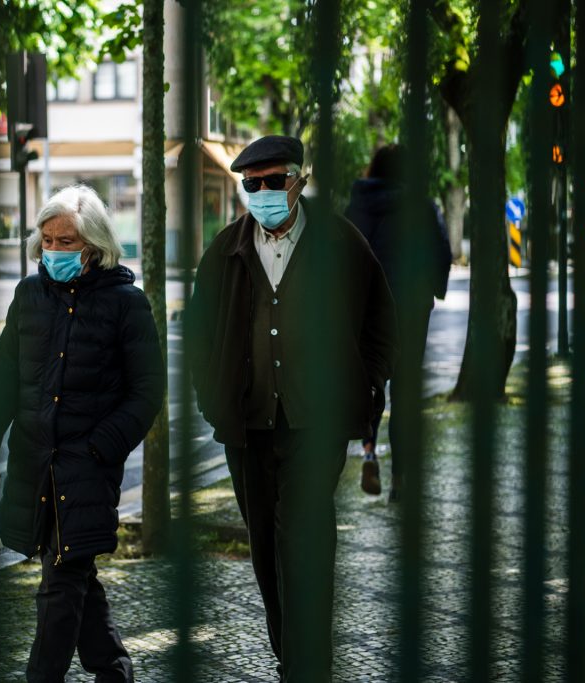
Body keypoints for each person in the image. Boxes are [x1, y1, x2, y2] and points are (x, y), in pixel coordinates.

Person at [184, 135, 398, 681]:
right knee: (264, 552)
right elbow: (198, 333)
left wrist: (367, 384)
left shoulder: (340, 243)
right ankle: (292, 658)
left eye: (272, 181)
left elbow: (381, 320)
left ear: (298, 182)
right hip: (247, 426)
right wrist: (212, 399)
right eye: (250, 185)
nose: (261, 193)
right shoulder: (226, 250)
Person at [0, 184, 164, 683]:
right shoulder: (29, 296)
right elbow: (3, 378)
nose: (55, 250)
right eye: (48, 240)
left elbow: (147, 392)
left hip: (87, 467)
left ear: (95, 245)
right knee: (73, 571)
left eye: (67, 241)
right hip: (34, 463)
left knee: (60, 588)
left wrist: (102, 446)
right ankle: (114, 671)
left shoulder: (126, 303)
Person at [344, 143, 452, 501]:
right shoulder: (421, 206)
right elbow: (441, 252)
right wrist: (435, 288)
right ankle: (401, 478)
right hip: (410, 309)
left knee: (371, 385)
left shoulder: (357, 206)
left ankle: (370, 454)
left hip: (367, 312)